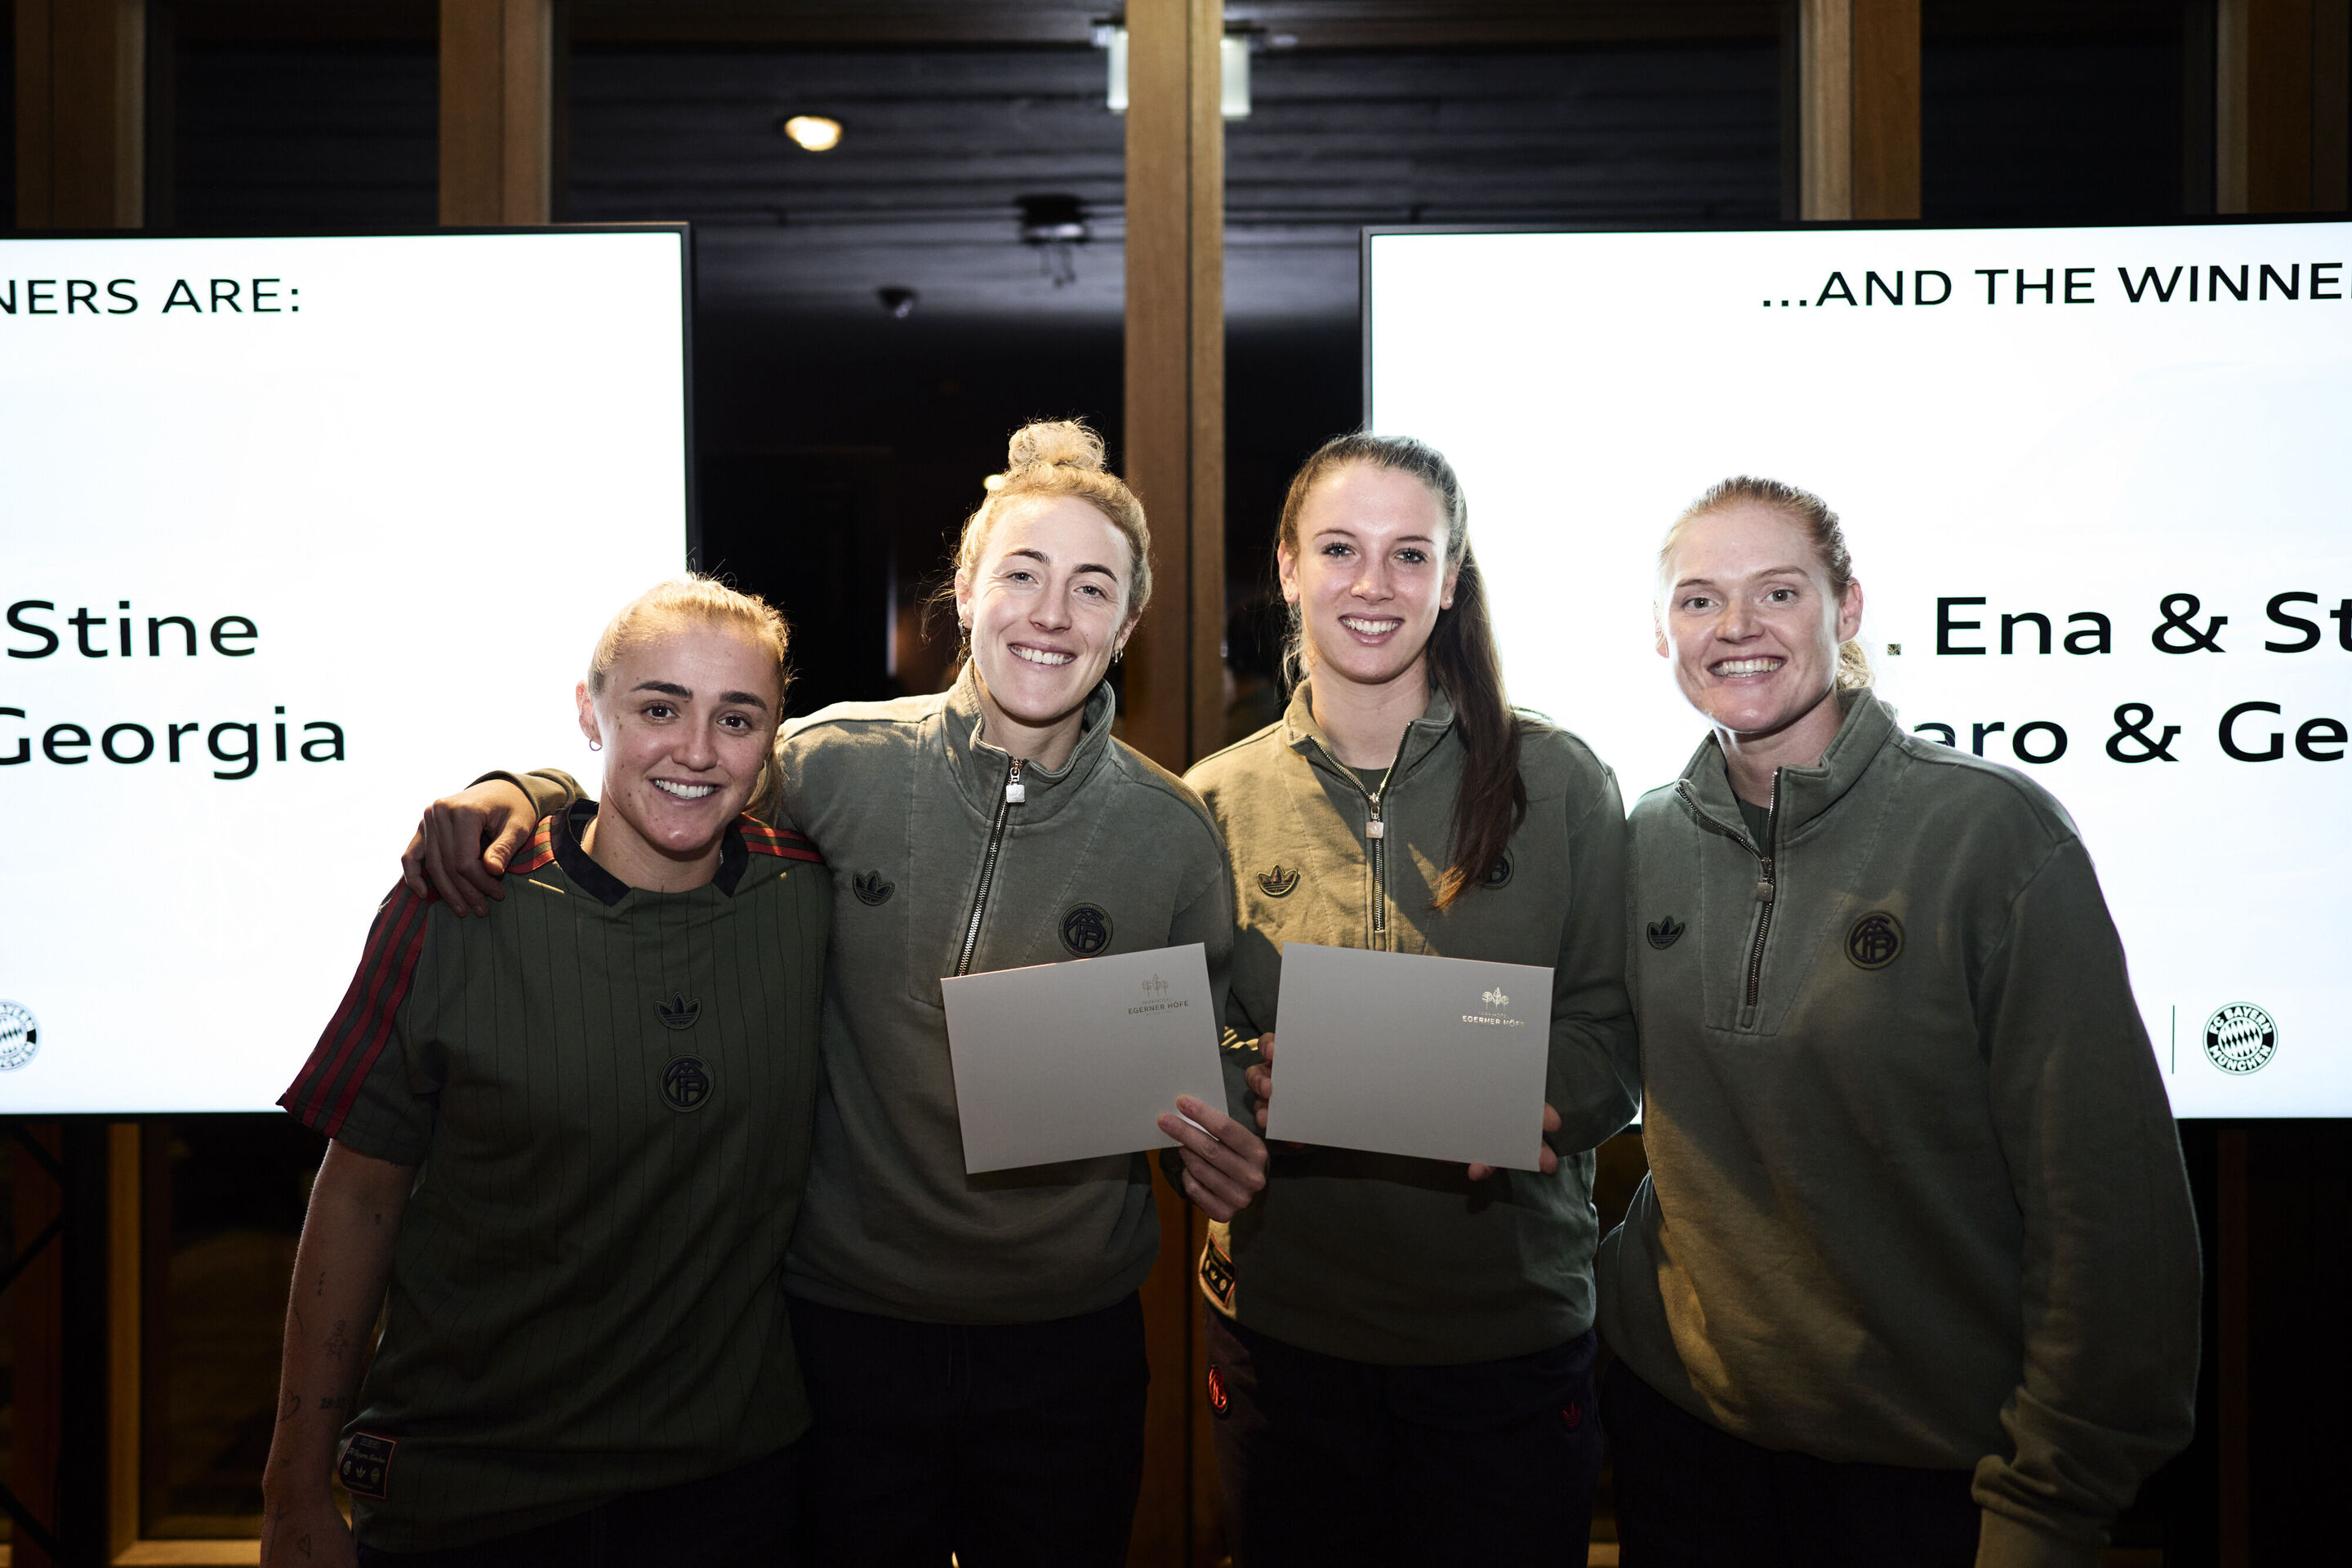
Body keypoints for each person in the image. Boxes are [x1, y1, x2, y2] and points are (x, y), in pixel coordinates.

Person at [399, 420, 1268, 1568]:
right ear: (964, 590)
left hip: (1067, 1350)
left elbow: (1195, 1070)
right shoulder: (835, 763)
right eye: (1022, 572)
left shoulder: (1171, 834)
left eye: (1092, 587)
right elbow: (676, 776)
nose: (1052, 612)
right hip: (839, 1335)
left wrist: (1224, 1138)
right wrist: (526, 783)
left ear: (1128, 625)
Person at [1599, 477, 2201, 1568]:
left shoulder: (1994, 839)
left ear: (1849, 609)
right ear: (1659, 631)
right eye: (1698, 600)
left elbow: (2108, 1207)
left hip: (1937, 1486)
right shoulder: (1641, 840)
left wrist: (2053, 1500)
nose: (1736, 627)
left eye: (1777, 592)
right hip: (1681, 1449)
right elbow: (1593, 1067)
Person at [261, 578, 829, 1567]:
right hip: (473, 1498)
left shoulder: (809, 897)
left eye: (736, 718)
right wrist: (293, 1493)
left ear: (773, 737)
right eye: (659, 708)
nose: (696, 750)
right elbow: (355, 1198)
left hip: (732, 1495)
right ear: (588, 712)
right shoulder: (459, 902)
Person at [1184, 433, 1641, 1566]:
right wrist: (1237, 1096)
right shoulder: (1212, 801)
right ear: (1288, 568)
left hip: (1507, 1337)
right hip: (1283, 1336)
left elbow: (1614, 1036)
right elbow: (1188, 1040)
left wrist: (1532, 1101)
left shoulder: (1562, 782)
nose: (1371, 586)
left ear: (1451, 578)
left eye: (1407, 556)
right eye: (1339, 549)